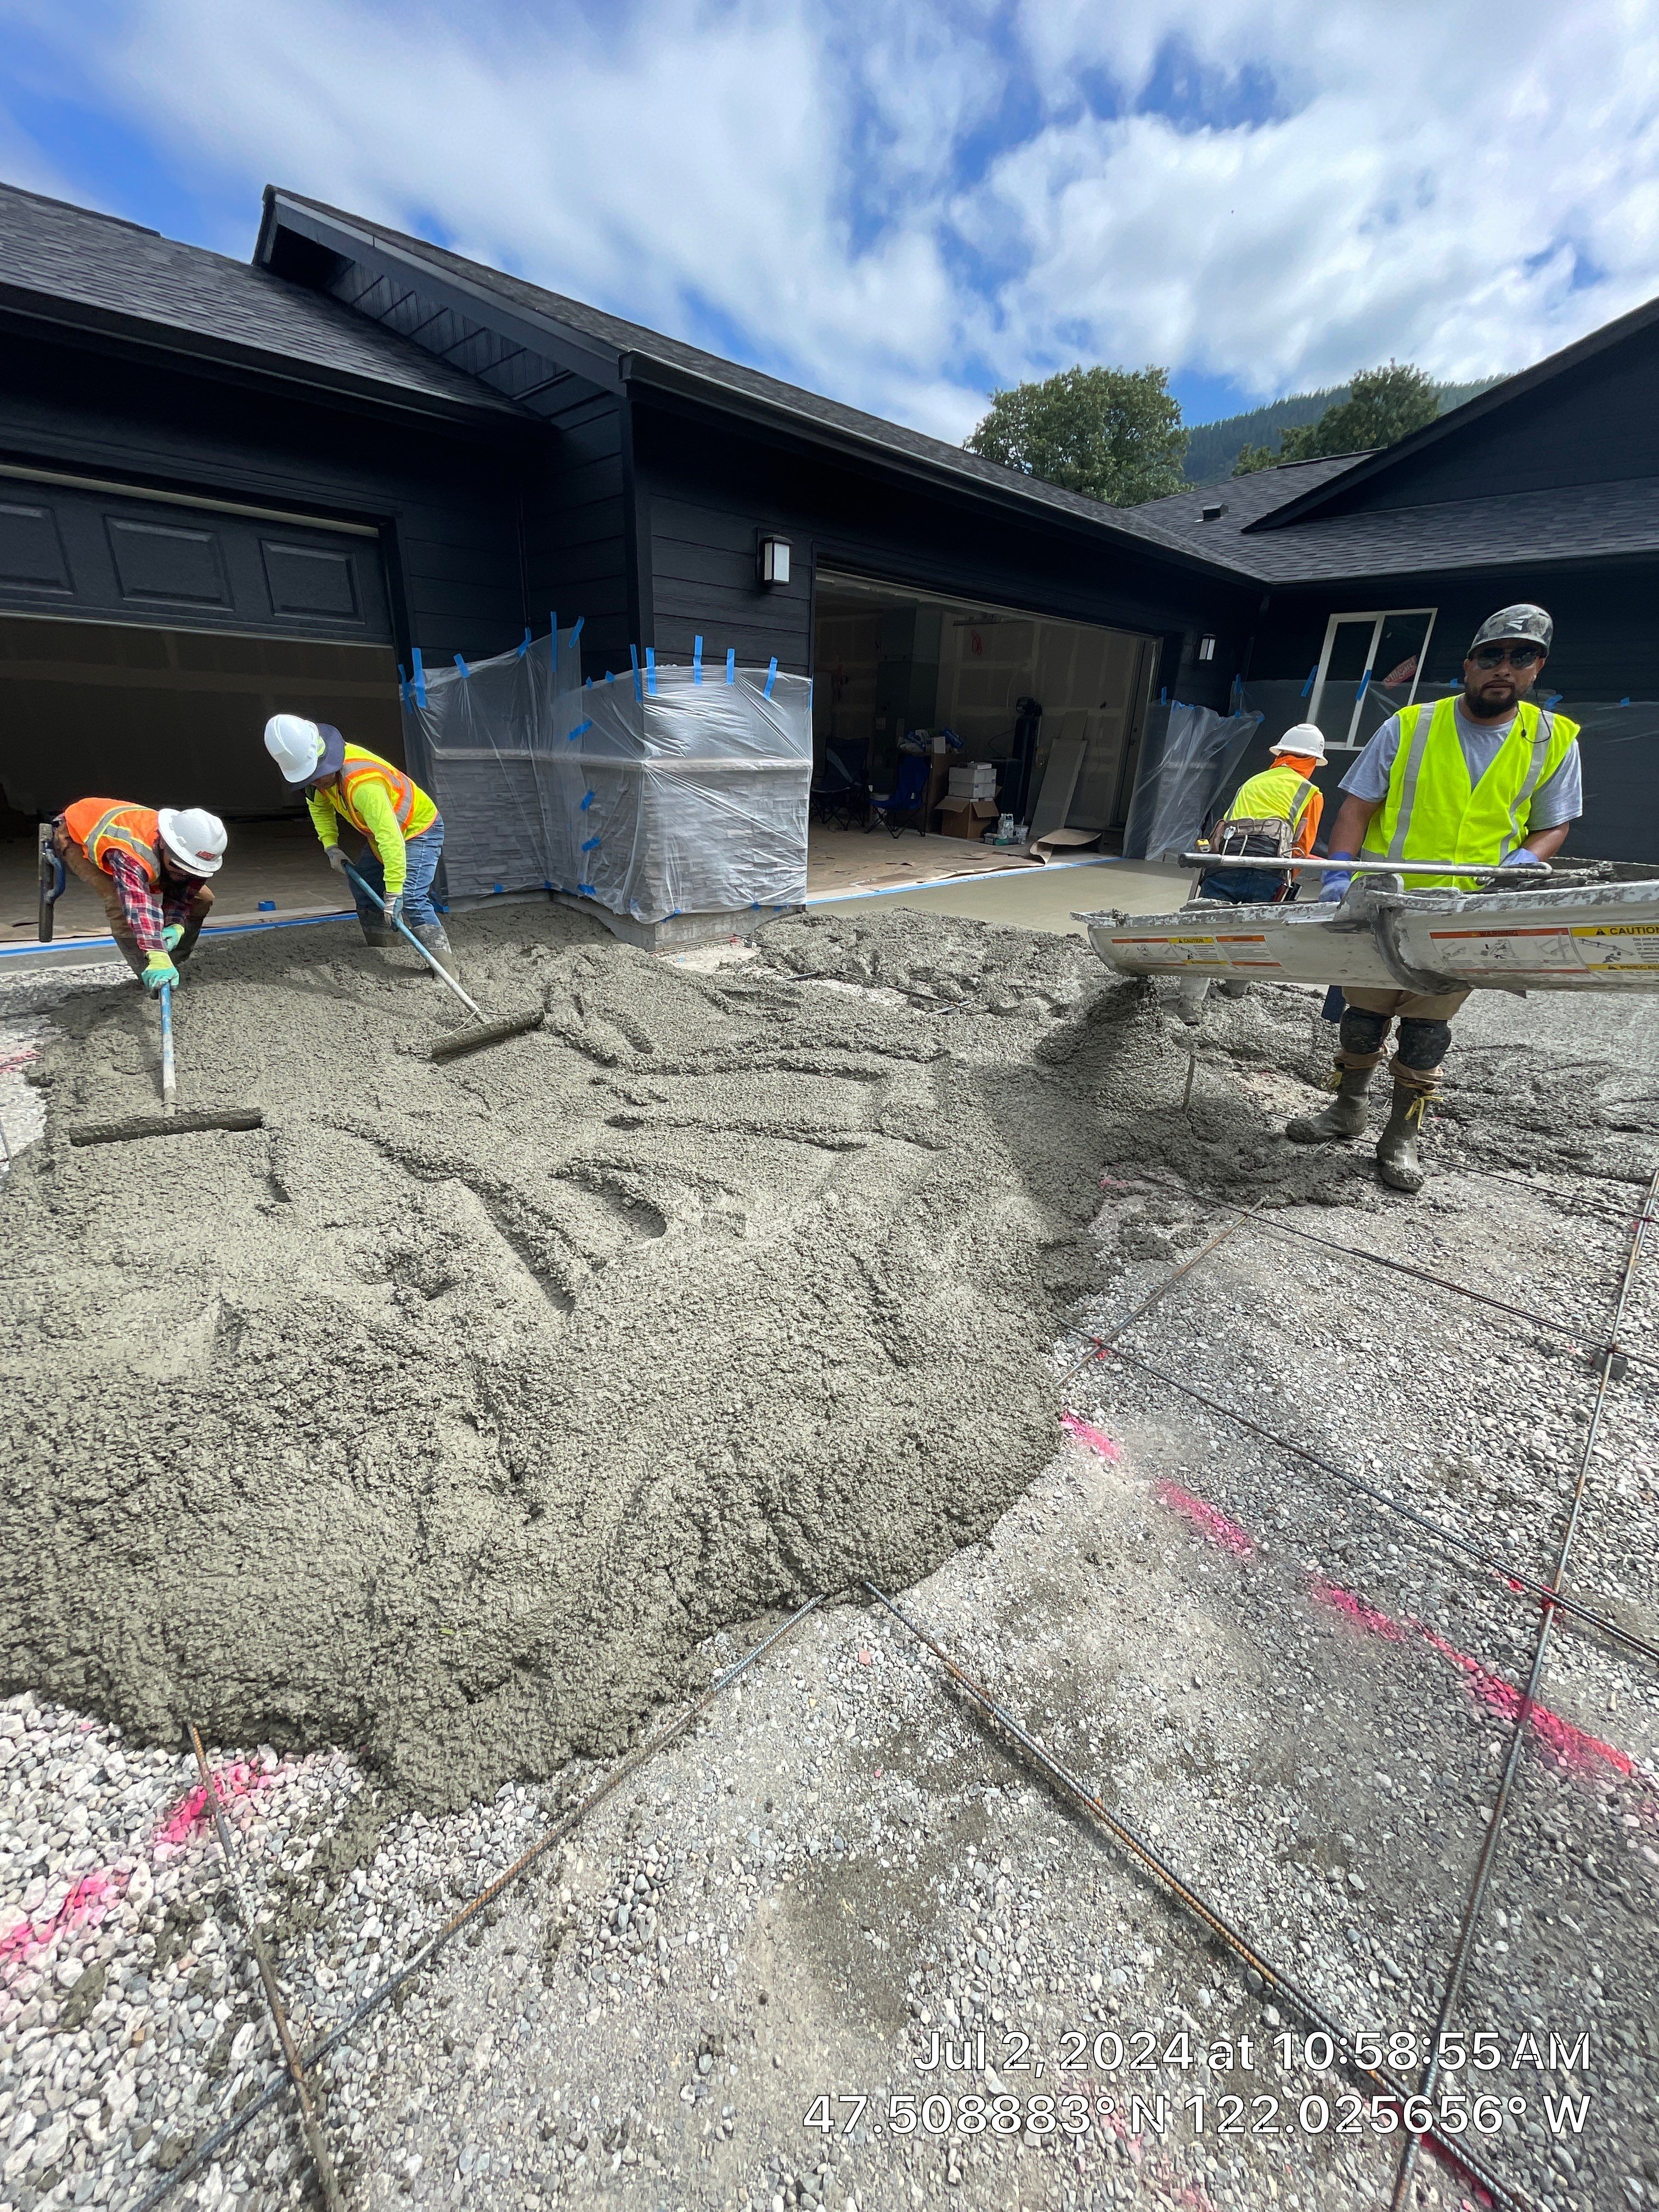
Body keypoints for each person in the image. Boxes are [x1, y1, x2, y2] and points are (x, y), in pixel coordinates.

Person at [1287, 603, 1581, 1191]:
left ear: (1537, 667)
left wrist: (1526, 861)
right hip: (1383, 904)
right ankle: (1347, 1109)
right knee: (1361, 1017)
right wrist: (1340, 876)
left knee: (1426, 1032)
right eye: (1492, 656)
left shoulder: (1551, 740)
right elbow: (1358, 807)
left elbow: (1554, 824)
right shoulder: (1412, 725)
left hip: (1460, 916)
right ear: (1469, 664)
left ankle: (1402, 1136)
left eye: (1521, 657)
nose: (1504, 668)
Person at [263, 715, 454, 970]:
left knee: (411, 897)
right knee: (362, 883)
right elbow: (320, 808)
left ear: (326, 760)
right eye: (308, 780)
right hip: (380, 834)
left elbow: (391, 838)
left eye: (317, 777)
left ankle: (443, 968)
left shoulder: (364, 784)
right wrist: (331, 847)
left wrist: (394, 890)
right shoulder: (318, 781)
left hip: (417, 830)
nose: (316, 784)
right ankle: (382, 941)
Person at [1176, 721, 1328, 1022]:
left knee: (1205, 930)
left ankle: (1190, 1003)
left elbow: (1225, 826)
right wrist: (1286, 883)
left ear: (1281, 754)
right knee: (1252, 934)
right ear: (1311, 761)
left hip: (1225, 866)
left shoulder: (1253, 782)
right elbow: (1301, 847)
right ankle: (1234, 991)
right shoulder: (1311, 793)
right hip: (1269, 873)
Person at [49, 799, 226, 991]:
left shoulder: (197, 857)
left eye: (193, 871)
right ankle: (148, 974)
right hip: (76, 833)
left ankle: (176, 963)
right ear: (163, 844)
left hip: (130, 836)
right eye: (179, 865)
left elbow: (182, 894)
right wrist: (156, 953)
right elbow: (137, 904)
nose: (185, 874)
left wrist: (176, 925)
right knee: (119, 903)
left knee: (203, 898)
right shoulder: (130, 849)